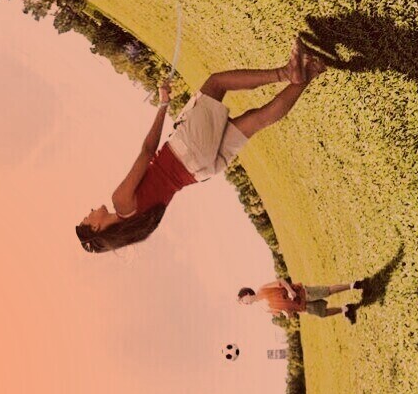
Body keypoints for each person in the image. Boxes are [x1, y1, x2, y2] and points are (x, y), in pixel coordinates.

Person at [77, 37, 326, 253]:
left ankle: (312, 70)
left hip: (200, 172)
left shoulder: (139, 229)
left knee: (256, 119)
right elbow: (147, 152)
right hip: (185, 150)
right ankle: (287, 72)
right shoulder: (120, 202)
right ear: (96, 227)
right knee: (217, 83)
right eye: (87, 218)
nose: (89, 212)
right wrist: (163, 105)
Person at [239, 278, 366, 322]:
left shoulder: (263, 289)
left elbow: (281, 281)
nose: (245, 303)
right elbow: (287, 314)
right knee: (323, 313)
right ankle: (346, 309)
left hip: (302, 293)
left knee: (327, 291)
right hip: (302, 307)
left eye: (243, 300)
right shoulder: (266, 309)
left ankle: (353, 285)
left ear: (247, 294)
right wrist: (288, 315)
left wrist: (290, 290)